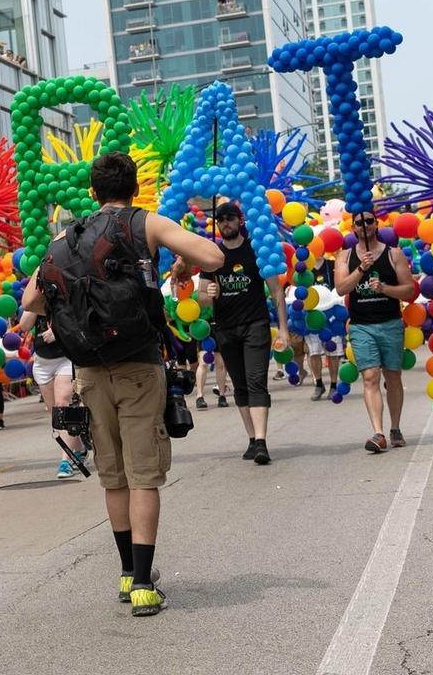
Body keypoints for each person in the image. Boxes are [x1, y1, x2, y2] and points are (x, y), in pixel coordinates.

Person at [22, 151, 224, 618]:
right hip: (138, 364)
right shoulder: (144, 223)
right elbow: (213, 256)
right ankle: (144, 585)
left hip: (90, 369)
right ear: (134, 188)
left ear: (93, 192)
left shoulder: (65, 238)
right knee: (143, 476)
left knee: (113, 477)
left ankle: (127, 573)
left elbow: (32, 299)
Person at [198, 202, 291, 465]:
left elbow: (276, 291)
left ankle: (261, 441)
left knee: (256, 380)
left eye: (230, 218)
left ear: (240, 221)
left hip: (255, 325)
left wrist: (283, 329)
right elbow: (202, 297)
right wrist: (209, 293)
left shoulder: (256, 250)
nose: (225, 223)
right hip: (226, 329)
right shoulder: (212, 256)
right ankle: (251, 438)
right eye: (220, 219)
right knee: (239, 384)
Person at [335, 210, 416, 453]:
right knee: (370, 377)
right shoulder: (345, 256)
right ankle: (378, 433)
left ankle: (395, 428)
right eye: (360, 222)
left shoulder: (394, 254)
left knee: (393, 377)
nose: (365, 225)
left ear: (376, 224)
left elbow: (409, 290)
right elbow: (341, 288)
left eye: (369, 221)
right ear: (353, 228)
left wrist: (384, 289)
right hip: (361, 325)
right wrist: (361, 268)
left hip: (390, 323)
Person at [20, 308, 82, 477]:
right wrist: (35, 301)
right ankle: (78, 447)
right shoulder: (37, 299)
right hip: (42, 362)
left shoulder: (65, 295)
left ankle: (66, 461)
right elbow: (24, 325)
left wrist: (59, 333)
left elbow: (80, 319)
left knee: (63, 404)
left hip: (66, 358)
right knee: (56, 414)